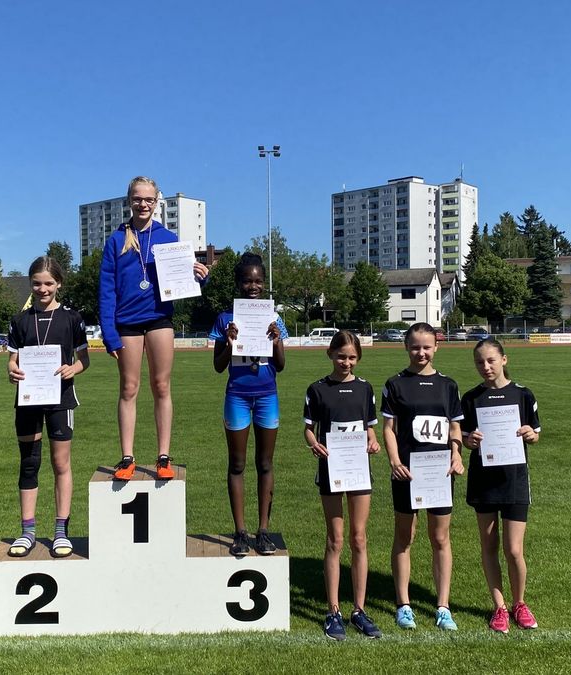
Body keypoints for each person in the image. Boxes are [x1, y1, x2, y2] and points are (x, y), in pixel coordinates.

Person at [99, 176, 208, 481]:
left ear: (157, 201)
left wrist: (199, 277)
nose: (143, 204)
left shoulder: (169, 238)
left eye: (148, 199)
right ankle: (127, 457)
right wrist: (109, 335)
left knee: (161, 387)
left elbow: (183, 282)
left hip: (159, 319)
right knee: (129, 389)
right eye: (137, 198)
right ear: (129, 201)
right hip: (127, 324)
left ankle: (163, 456)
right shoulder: (116, 241)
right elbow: (106, 293)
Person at [381, 322, 465, 631]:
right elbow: (388, 429)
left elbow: (455, 427)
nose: (421, 352)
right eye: (415, 347)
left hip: (440, 472)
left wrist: (457, 454)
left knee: (440, 537)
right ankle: (404, 605)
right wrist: (394, 460)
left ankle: (443, 606)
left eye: (427, 346)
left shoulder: (448, 385)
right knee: (405, 537)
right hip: (407, 472)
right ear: (406, 347)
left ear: (436, 347)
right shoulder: (395, 384)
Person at [6, 256, 90, 558]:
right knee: (29, 463)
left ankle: (60, 531)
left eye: (48, 283)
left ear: (59, 284)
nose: (43, 289)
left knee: (60, 464)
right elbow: (13, 360)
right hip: (28, 401)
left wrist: (74, 369)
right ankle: (27, 531)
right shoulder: (20, 320)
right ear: (31, 284)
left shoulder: (72, 318)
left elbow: (85, 359)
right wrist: (11, 370)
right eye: (37, 283)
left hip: (60, 400)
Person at [304, 330, 383, 641]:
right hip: (332, 470)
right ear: (330, 355)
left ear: (358, 358)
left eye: (352, 357)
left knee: (359, 538)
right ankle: (333, 610)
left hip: (359, 472)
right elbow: (308, 430)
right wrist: (313, 444)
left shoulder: (365, 389)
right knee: (335, 539)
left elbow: (370, 431)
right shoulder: (317, 389)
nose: (346, 362)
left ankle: (359, 610)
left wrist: (373, 442)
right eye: (341, 356)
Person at [461, 338, 542, 633]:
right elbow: (465, 438)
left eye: (491, 360)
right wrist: (469, 441)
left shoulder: (523, 395)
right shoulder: (470, 398)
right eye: (480, 362)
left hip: (514, 481)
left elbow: (535, 433)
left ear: (504, 360)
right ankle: (499, 607)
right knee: (489, 546)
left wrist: (531, 435)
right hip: (483, 482)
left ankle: (519, 603)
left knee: (514, 549)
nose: (486, 366)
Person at [209, 252, 287, 557]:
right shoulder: (225, 319)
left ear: (264, 283)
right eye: (247, 280)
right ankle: (240, 532)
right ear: (238, 283)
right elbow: (218, 366)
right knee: (238, 464)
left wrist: (277, 340)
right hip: (237, 395)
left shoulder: (274, 318)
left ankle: (263, 531)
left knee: (265, 463)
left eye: (258, 280)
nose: (252, 286)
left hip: (267, 395)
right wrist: (228, 343)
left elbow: (280, 366)